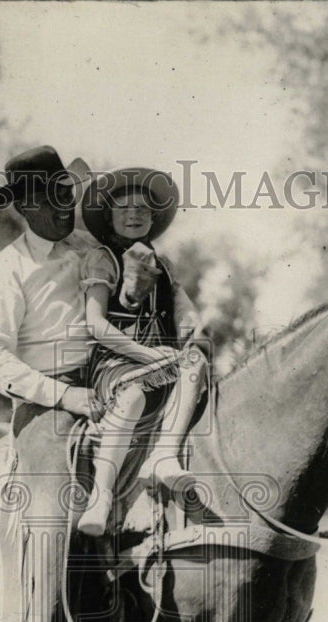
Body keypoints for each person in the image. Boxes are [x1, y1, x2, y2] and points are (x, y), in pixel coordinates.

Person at [74, 168, 208, 536]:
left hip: (160, 361)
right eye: (124, 208)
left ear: (153, 218)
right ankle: (101, 495)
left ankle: (164, 455)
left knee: (197, 361)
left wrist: (191, 325)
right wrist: (146, 355)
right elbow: (95, 324)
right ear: (109, 215)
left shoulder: (162, 264)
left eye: (143, 209)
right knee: (131, 397)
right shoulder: (103, 258)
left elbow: (183, 307)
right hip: (116, 364)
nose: (134, 215)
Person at [0, 145, 109, 428]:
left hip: (113, 381)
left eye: (65, 194)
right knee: (59, 470)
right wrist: (64, 395)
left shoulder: (94, 247)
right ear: (23, 208)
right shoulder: (5, 270)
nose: (63, 207)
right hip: (47, 407)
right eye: (47, 200)